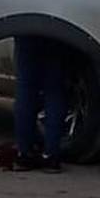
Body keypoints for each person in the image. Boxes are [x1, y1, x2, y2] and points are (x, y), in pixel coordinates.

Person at [12, 36, 67, 172]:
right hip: (58, 30)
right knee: (54, 90)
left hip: (25, 28)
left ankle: (24, 153)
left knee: (25, 89)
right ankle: (51, 155)